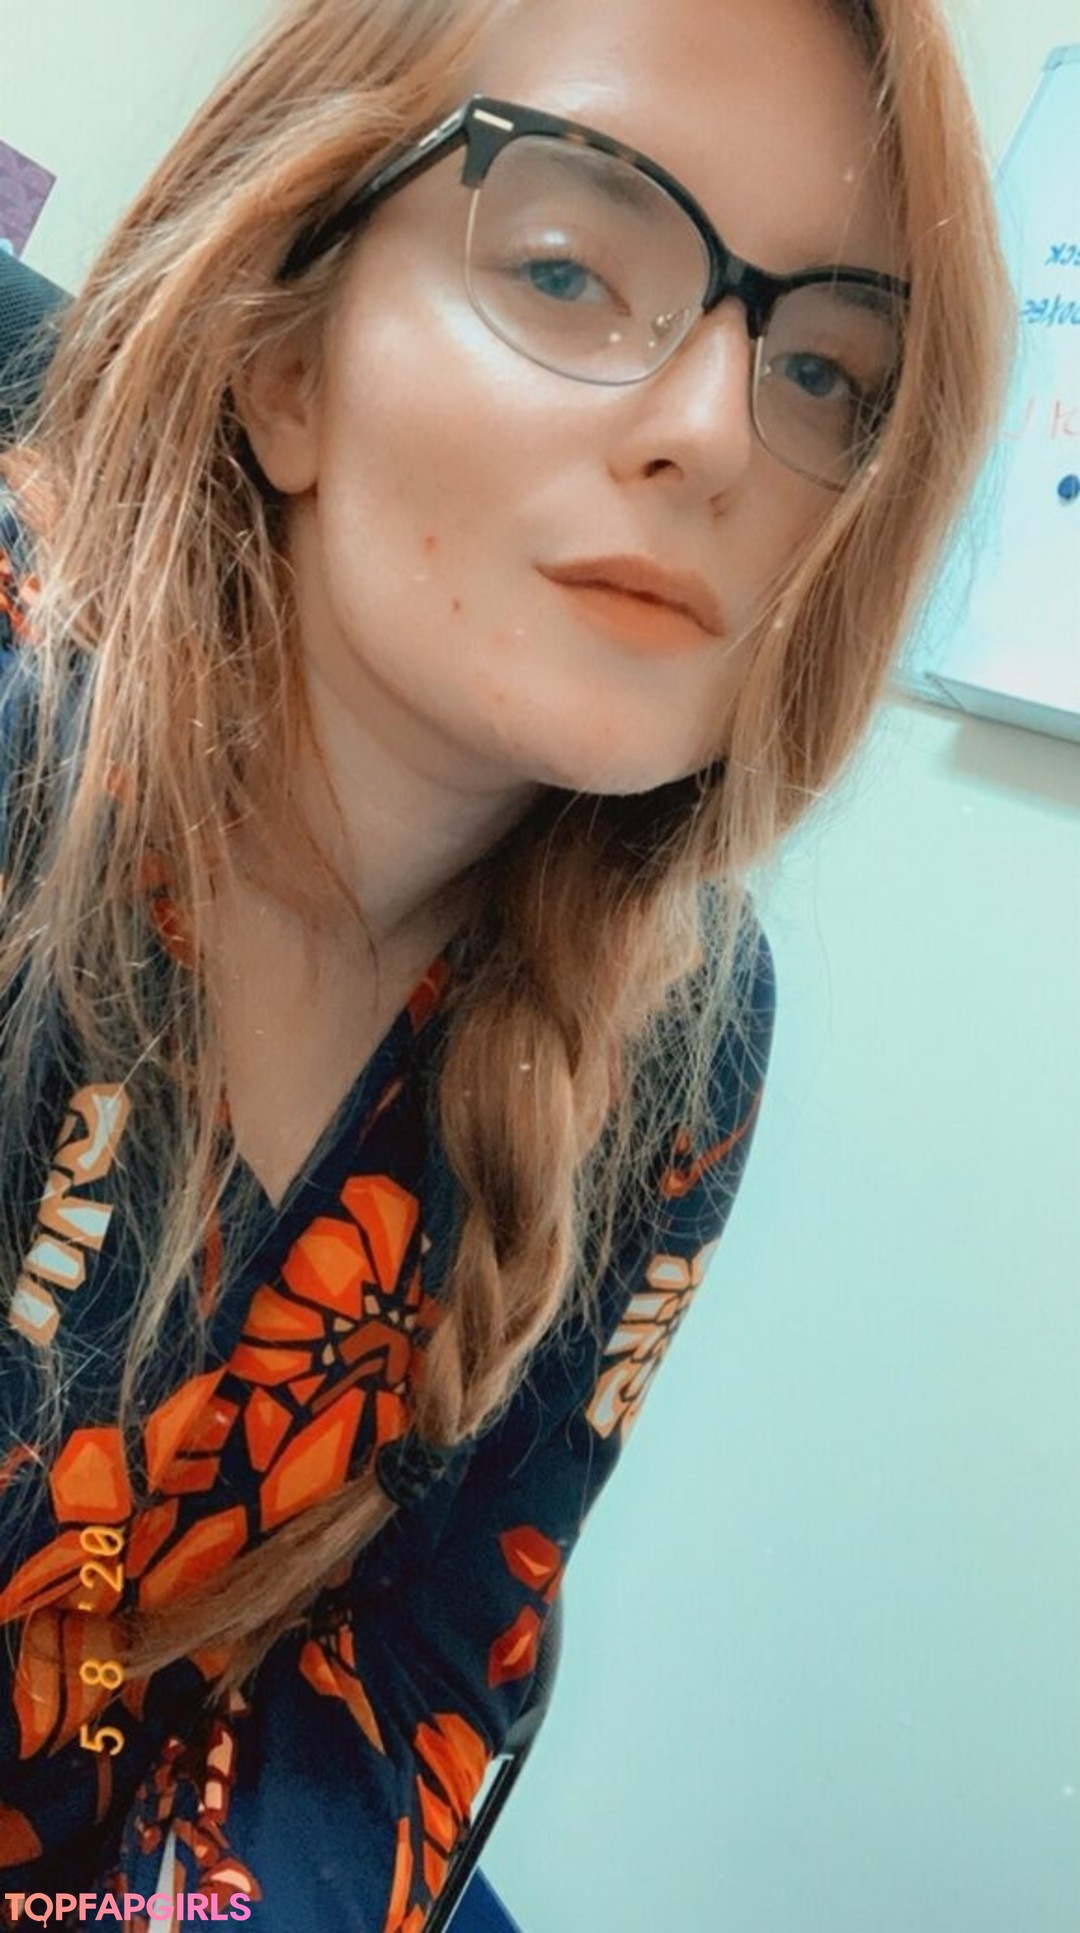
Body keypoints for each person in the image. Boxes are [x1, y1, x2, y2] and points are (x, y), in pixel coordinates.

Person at [0, 0, 1010, 1922]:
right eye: (565, 268)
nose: (717, 430)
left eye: (822, 371)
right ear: (284, 353)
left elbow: (415, 1683)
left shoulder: (677, 1034)